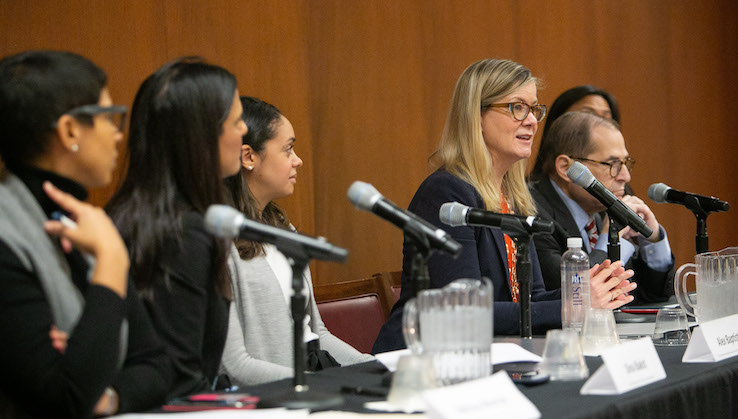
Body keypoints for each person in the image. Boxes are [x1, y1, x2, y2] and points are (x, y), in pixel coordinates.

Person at [372, 59, 637, 354]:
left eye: (535, 109)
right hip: (420, 364)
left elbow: (530, 298)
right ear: (477, 116)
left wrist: (587, 290)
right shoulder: (446, 193)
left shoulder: (514, 198)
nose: (532, 121)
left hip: (494, 358)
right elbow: (462, 313)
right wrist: (573, 305)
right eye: (517, 107)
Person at [0, 50, 169, 418]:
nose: (117, 135)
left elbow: (156, 367)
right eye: (109, 117)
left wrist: (106, 396)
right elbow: (65, 398)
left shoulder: (86, 223)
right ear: (69, 130)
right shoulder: (6, 236)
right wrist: (110, 261)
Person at [106, 58, 247, 398]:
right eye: (238, 120)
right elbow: (180, 381)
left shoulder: (137, 215)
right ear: (201, 136)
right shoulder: (183, 234)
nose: (244, 131)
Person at [219, 97, 373, 385]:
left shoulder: (283, 230)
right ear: (248, 157)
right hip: (274, 395)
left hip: (312, 376)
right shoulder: (221, 246)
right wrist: (313, 385)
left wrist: (374, 367)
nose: (297, 159)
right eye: (287, 149)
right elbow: (235, 365)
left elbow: (318, 334)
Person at [529, 111, 674, 301]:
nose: (625, 177)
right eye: (612, 164)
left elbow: (647, 298)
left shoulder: (599, 211)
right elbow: (571, 295)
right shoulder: (532, 209)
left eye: (625, 163)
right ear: (566, 168)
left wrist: (652, 240)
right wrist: (608, 240)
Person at [530, 85, 620, 183]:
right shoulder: (528, 195)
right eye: (588, 115)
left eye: (606, 119)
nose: (599, 125)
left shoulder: (622, 189)